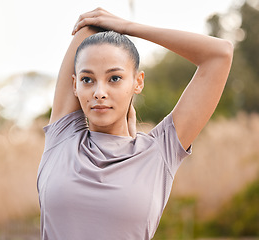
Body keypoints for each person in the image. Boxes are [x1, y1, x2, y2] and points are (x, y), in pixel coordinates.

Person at [37, 7, 233, 240]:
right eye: (87, 79)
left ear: (138, 82)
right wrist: (112, 29)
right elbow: (88, 26)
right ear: (75, 85)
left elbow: (220, 53)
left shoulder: (159, 151)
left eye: (115, 78)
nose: (99, 92)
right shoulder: (62, 138)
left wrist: (128, 27)